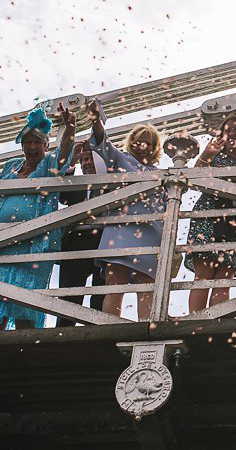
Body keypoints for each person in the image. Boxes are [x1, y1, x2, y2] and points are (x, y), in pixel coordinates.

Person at [0, 105, 76, 330]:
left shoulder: (47, 165)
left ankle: (25, 350)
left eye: (37, 142)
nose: (32, 147)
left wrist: (70, 128)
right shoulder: (12, 166)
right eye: (27, 142)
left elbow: (63, 156)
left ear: (46, 145)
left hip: (30, 245)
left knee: (25, 299)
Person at [87, 100, 165, 321]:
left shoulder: (161, 173)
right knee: (115, 283)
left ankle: (146, 330)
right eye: (140, 142)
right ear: (132, 143)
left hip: (151, 232)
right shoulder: (120, 160)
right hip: (121, 230)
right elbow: (103, 143)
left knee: (147, 286)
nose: (145, 147)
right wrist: (96, 120)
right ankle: (109, 329)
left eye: (150, 143)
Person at [186, 114, 236, 313]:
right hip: (208, 215)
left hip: (234, 220)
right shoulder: (214, 155)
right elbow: (194, 180)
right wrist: (205, 155)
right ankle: (195, 321)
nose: (233, 133)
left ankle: (215, 321)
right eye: (228, 130)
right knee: (204, 272)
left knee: (225, 275)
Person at [55, 141, 107, 327]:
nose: (87, 163)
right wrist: (72, 161)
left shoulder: (111, 182)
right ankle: (63, 333)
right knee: (69, 294)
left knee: (99, 295)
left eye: (91, 159)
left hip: (103, 241)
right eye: (84, 159)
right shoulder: (75, 184)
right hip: (76, 241)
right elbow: (61, 195)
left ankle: (94, 333)